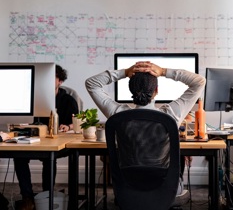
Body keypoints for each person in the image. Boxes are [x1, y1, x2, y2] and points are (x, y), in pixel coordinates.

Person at [85, 61, 206, 206]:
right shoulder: (171, 114)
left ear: (131, 90)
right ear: (156, 90)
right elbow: (199, 81)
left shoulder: (118, 114)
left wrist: (124, 72)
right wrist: (163, 71)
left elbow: (91, 83)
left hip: (126, 185)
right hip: (165, 187)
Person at [14, 65, 79, 210]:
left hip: (56, 141)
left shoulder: (68, 99)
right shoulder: (33, 97)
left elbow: (77, 122)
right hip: (34, 138)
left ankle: (46, 195)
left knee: (49, 159)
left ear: (60, 81)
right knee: (19, 157)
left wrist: (68, 127)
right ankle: (27, 197)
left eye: (52, 78)